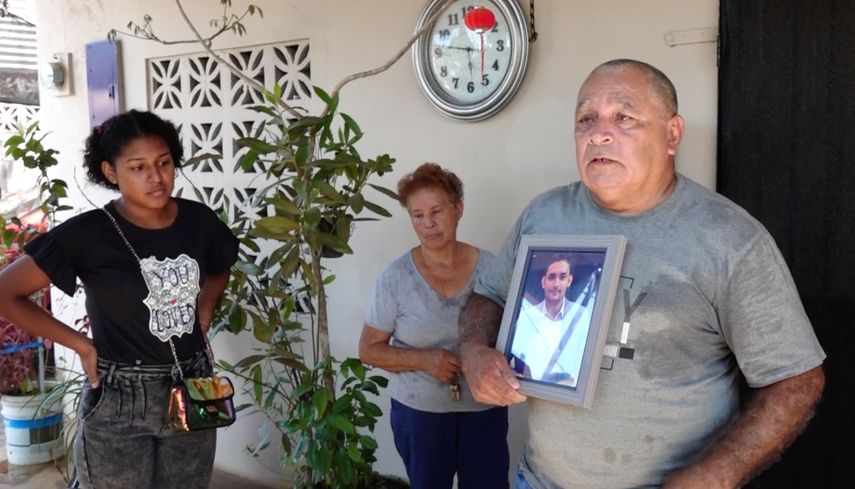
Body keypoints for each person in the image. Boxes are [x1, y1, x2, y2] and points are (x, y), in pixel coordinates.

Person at [459, 59, 826, 489]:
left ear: (672, 134)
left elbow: (796, 379)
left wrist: (717, 473)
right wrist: (474, 352)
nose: (598, 133)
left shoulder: (730, 240)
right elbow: (488, 296)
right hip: (539, 481)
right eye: (586, 118)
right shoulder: (544, 216)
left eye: (624, 117)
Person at [0, 110, 239, 489]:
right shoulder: (88, 234)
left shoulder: (199, 221)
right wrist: (81, 345)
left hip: (192, 384)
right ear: (111, 172)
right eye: (138, 167)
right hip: (119, 397)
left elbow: (220, 265)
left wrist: (204, 313)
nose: (156, 177)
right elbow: (6, 292)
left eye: (163, 162)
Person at [359, 163, 509, 489]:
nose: (428, 223)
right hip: (419, 415)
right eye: (418, 215)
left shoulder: (492, 268)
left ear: (458, 209)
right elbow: (369, 350)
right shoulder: (396, 277)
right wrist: (425, 360)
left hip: (484, 410)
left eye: (437, 211)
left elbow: (516, 333)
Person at [509, 257, 592, 385]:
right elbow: (515, 358)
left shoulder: (581, 315)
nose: (556, 284)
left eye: (562, 277)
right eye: (551, 277)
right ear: (543, 282)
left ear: (569, 281)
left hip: (566, 389)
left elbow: (584, 362)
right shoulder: (527, 317)